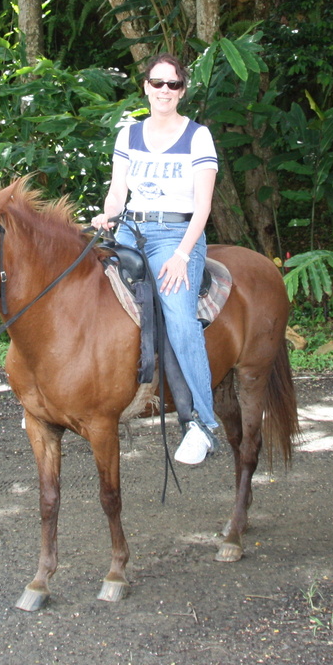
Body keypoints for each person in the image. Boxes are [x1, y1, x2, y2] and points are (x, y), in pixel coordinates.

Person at [93, 52, 219, 465]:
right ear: (145, 86)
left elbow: (203, 206)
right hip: (130, 227)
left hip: (176, 233)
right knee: (84, 283)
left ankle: (201, 423)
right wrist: (107, 215)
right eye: (157, 83)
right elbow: (118, 192)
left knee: (181, 318)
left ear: (182, 91)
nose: (165, 91)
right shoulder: (128, 134)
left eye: (173, 84)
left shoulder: (197, 136)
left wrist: (183, 254)